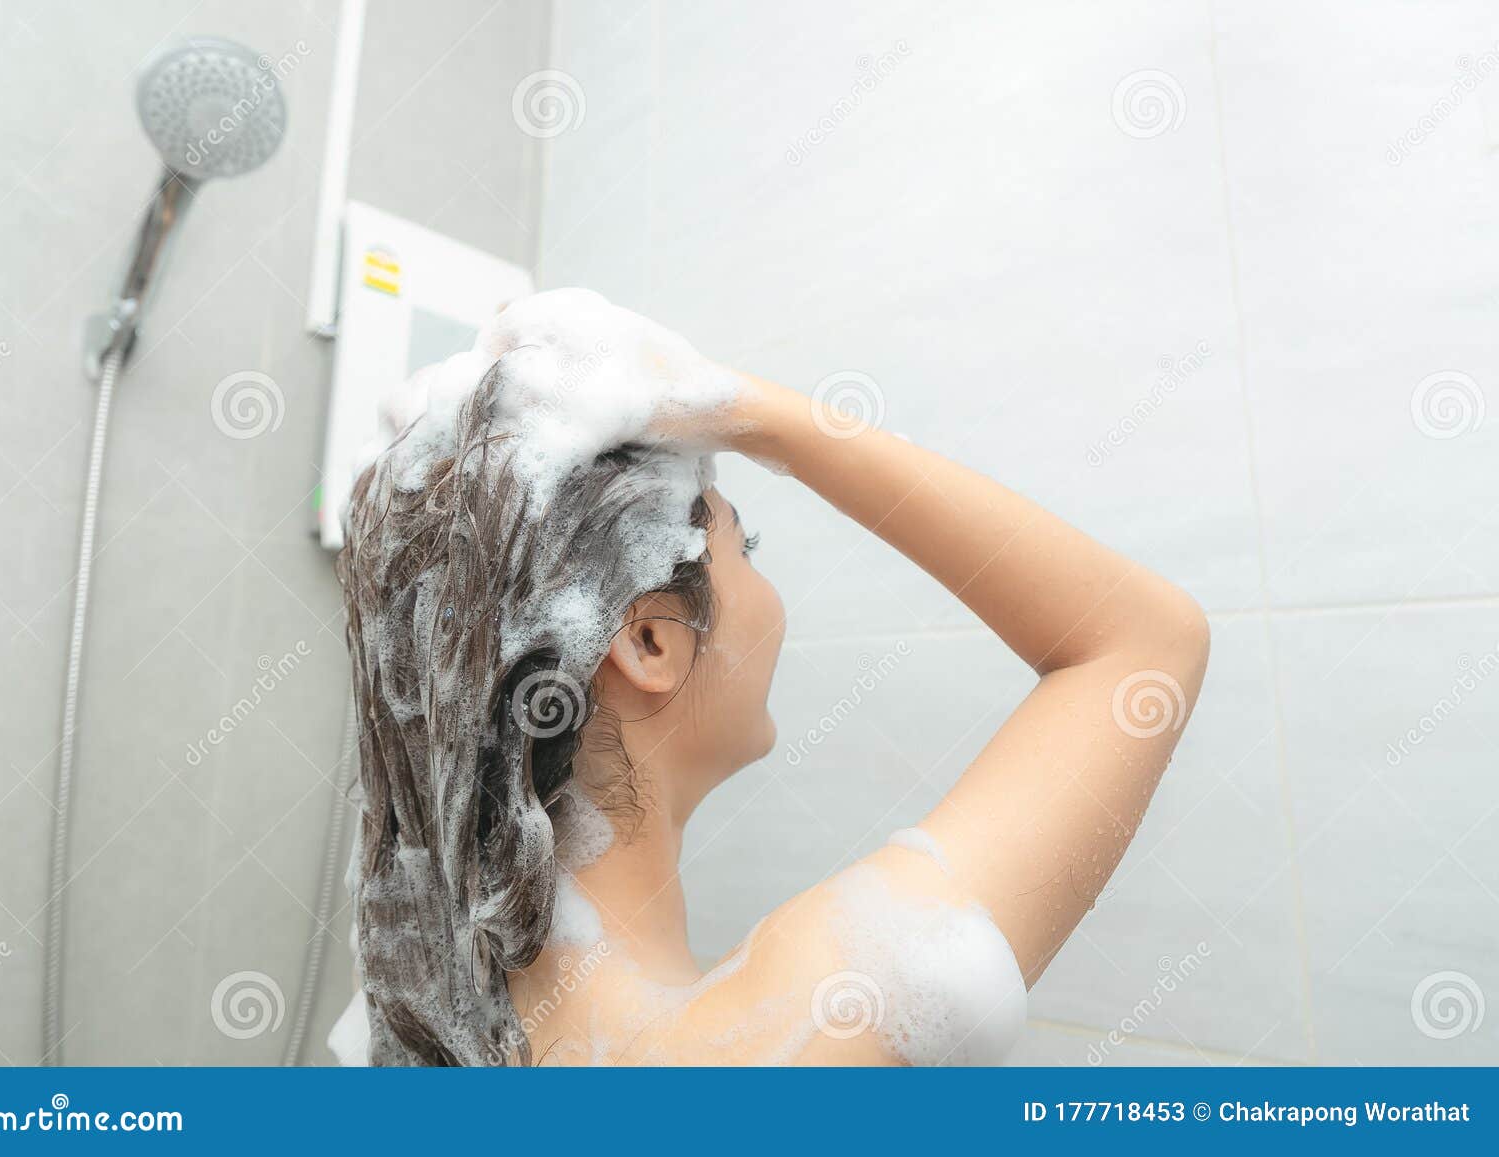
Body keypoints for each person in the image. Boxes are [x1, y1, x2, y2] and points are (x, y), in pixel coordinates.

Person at [331, 289, 1210, 1066]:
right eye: (740, 545)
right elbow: (1142, 645)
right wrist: (755, 413)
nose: (765, 585)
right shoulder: (788, 1046)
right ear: (647, 639)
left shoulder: (411, 1021)